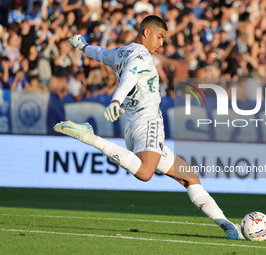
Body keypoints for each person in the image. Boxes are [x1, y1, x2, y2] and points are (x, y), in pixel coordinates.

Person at [54, 15, 244, 240]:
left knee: (189, 177)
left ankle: (226, 224)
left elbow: (100, 54)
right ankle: (89, 137)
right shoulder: (141, 57)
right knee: (145, 173)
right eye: (160, 37)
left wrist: (83, 46)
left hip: (133, 127)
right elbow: (129, 77)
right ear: (146, 32)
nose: (161, 43)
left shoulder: (121, 52)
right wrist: (115, 101)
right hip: (148, 123)